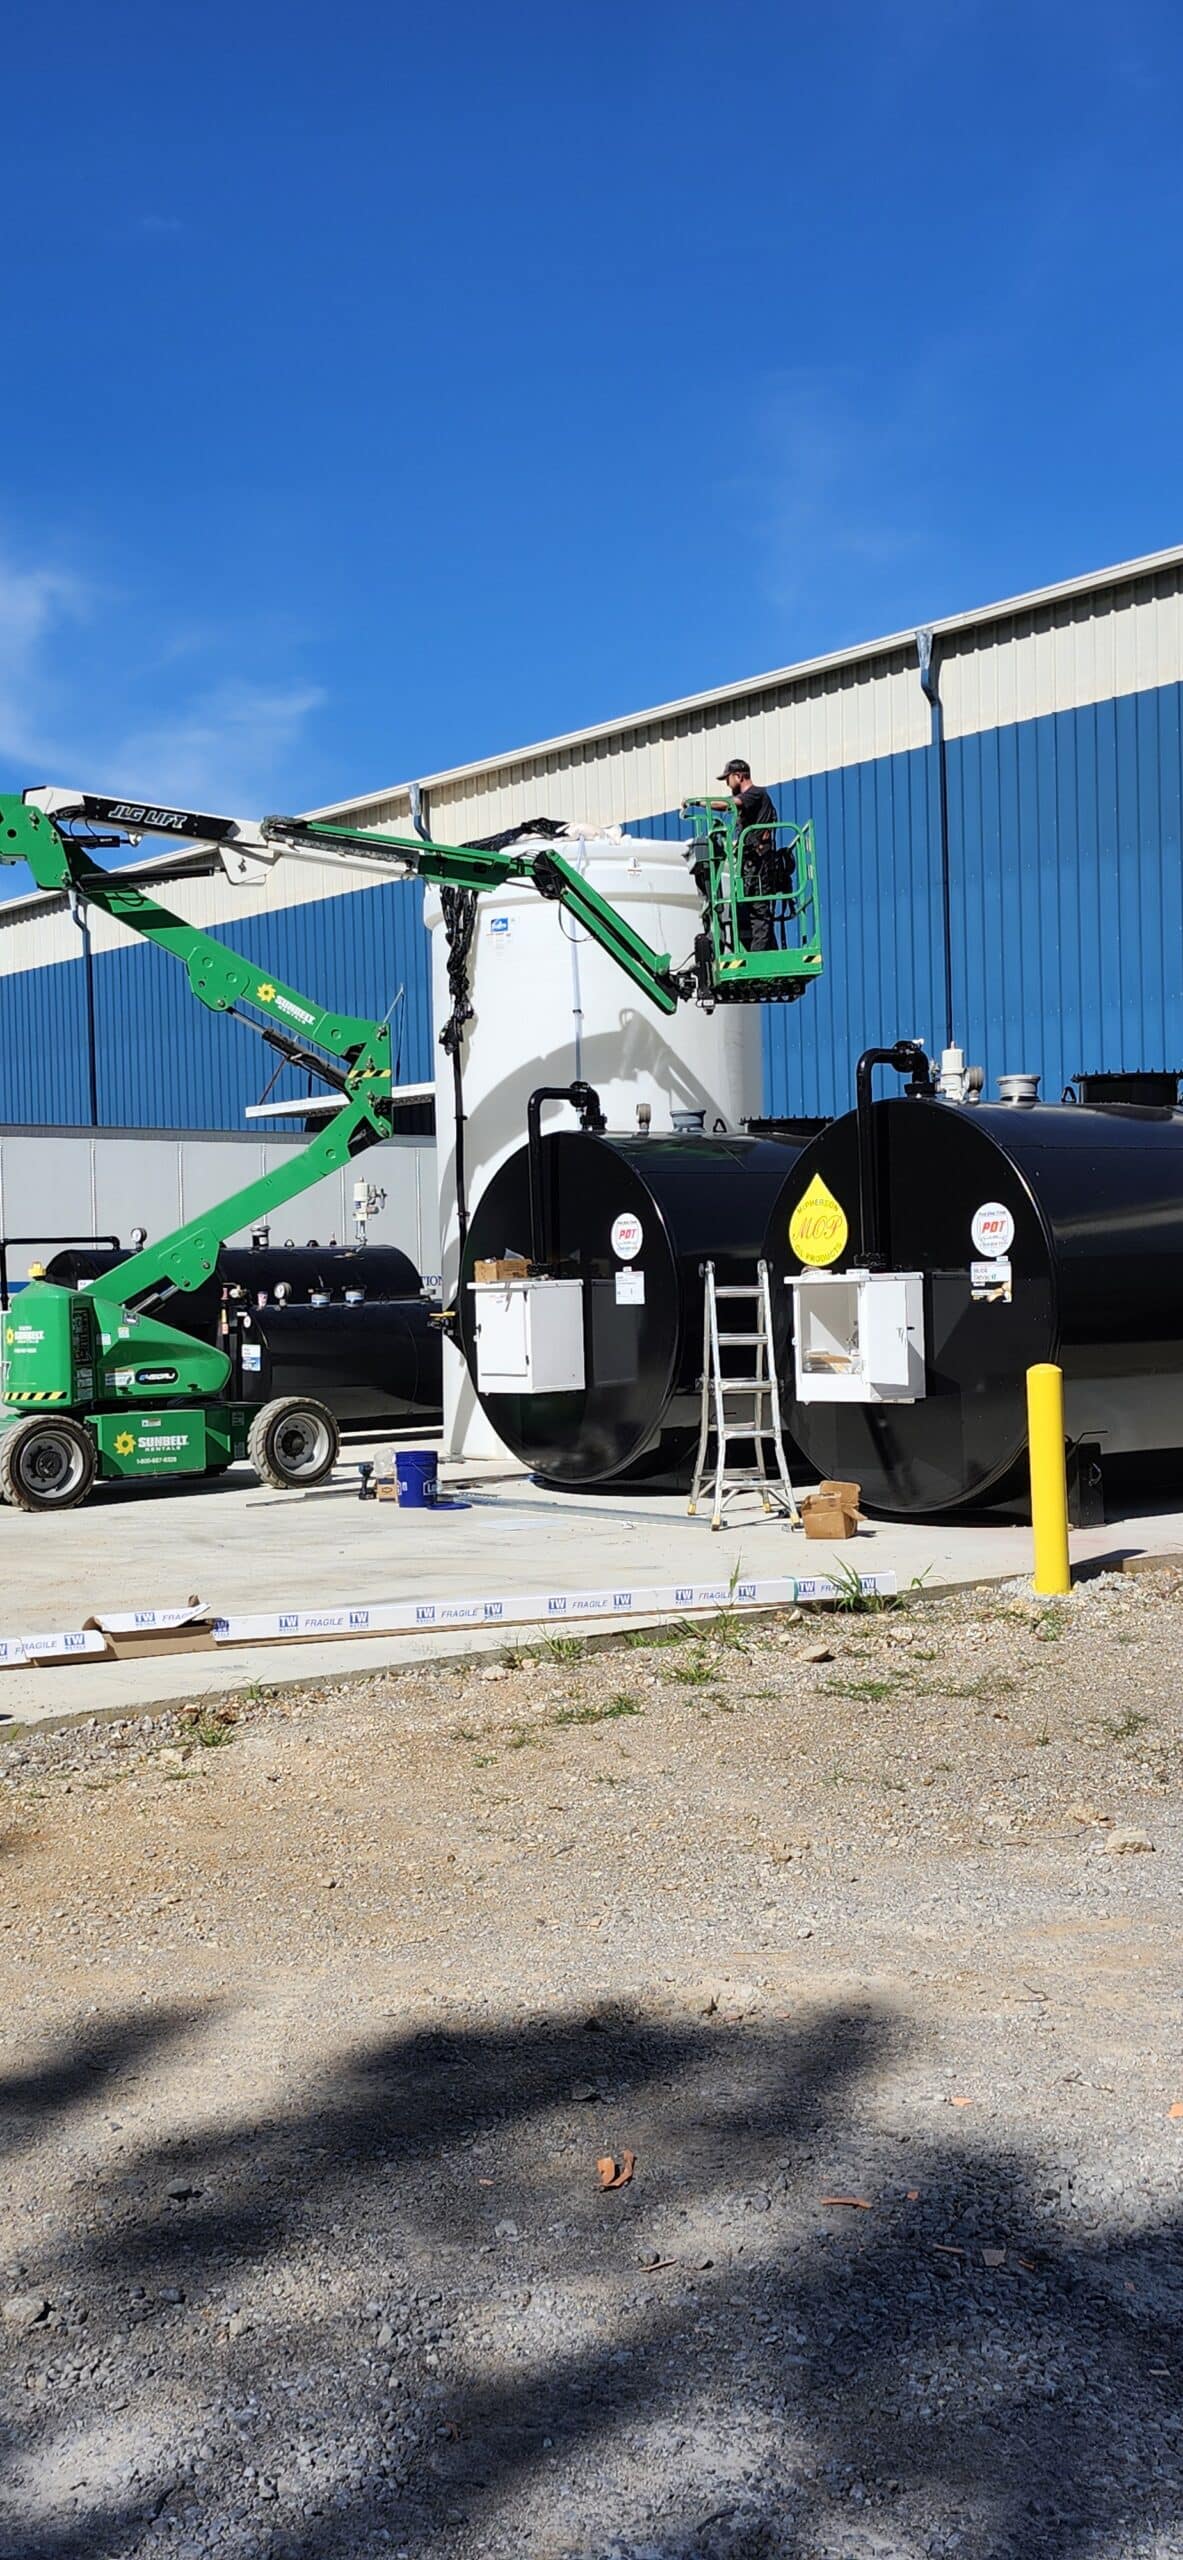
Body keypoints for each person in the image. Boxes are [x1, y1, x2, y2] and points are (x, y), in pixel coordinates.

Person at [717, 757, 782, 952]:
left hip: (760, 863)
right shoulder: (753, 801)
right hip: (753, 863)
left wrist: (702, 803)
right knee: (754, 910)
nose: (728, 784)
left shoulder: (756, 794)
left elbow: (731, 804)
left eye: (728, 779)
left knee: (759, 911)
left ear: (739, 776)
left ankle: (759, 957)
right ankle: (767, 952)